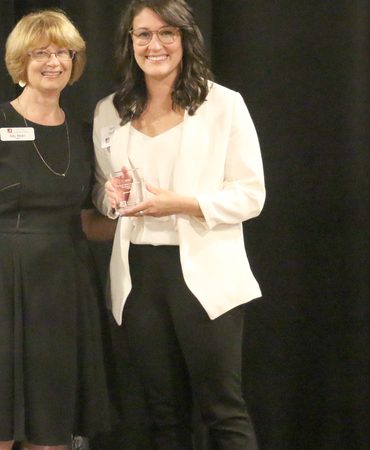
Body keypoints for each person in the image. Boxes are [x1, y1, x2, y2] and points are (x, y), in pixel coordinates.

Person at [92, 0, 265, 448]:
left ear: (185, 39)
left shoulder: (223, 104)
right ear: (130, 42)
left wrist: (182, 204)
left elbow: (251, 195)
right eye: (143, 34)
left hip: (202, 273)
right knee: (163, 415)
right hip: (138, 276)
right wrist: (111, 197)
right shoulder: (110, 111)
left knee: (222, 410)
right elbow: (105, 194)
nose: (155, 44)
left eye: (167, 33)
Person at [0, 9, 110, 450]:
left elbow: (87, 220)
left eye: (63, 52)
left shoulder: (84, 133)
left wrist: (132, 213)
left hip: (65, 284)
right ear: (21, 61)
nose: (54, 62)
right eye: (41, 53)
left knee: (52, 427)